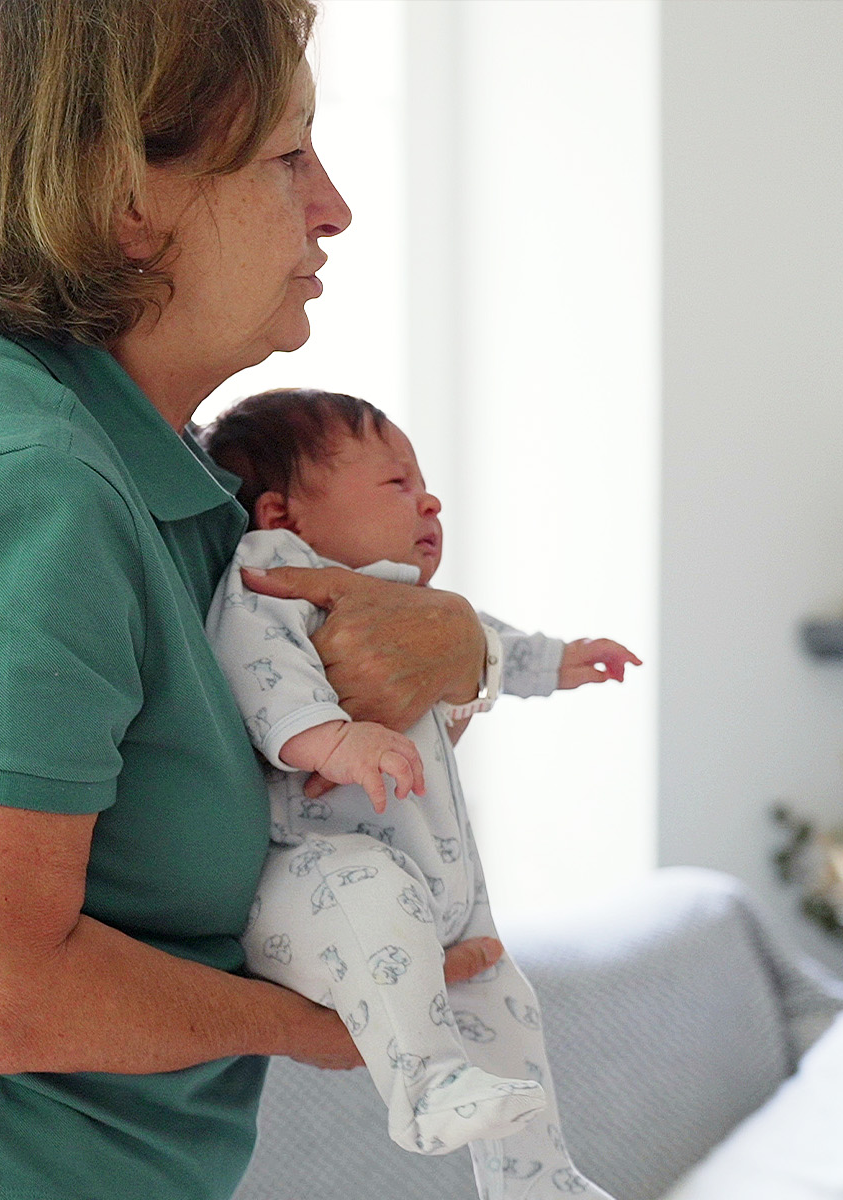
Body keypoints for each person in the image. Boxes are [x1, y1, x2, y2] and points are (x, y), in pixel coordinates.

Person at [0, 3, 516, 1198]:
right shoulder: (36, 490)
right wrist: (330, 1030)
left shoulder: (148, 470)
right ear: (127, 199)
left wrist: (457, 646)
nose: (333, 205)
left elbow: (282, 706)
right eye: (289, 155)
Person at [201, 387, 639, 1200]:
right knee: (368, 894)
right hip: (315, 872)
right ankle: (426, 1088)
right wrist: (335, 739)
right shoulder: (273, 576)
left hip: (438, 885)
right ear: (282, 514)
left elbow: (486, 643)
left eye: (425, 482)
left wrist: (562, 660)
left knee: (507, 1008)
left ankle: (536, 1178)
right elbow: (259, 676)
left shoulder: (406, 604)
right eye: (396, 484)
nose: (429, 499)